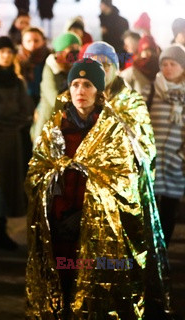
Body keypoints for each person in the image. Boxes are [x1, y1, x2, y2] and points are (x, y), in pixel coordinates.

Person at [24, 58, 169, 318]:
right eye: (75, 84)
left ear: (99, 91)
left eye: (88, 84)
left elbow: (123, 184)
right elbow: (37, 175)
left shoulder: (113, 131)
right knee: (62, 283)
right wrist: (57, 212)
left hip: (98, 229)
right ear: (68, 89)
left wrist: (88, 213)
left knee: (94, 290)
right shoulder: (53, 130)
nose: (81, 90)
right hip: (60, 228)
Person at [0, 36, 34, 249]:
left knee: (13, 183)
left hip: (14, 138)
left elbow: (26, 110)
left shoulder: (17, 80)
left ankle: (7, 230)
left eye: (9, 52)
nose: (6, 55)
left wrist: (7, 111)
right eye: (2, 51)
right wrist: (9, 111)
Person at [149, 45, 185, 247]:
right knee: (150, 209)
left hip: (176, 161)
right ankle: (151, 255)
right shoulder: (152, 89)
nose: (168, 68)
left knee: (169, 210)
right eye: (164, 63)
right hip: (153, 161)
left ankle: (163, 253)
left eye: (173, 64)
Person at [30, 32, 81, 143]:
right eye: (71, 48)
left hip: (68, 124)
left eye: (78, 47)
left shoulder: (75, 68)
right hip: (49, 120)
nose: (75, 51)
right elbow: (54, 99)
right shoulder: (51, 69)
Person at [120, 35, 160, 104]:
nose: (148, 54)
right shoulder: (133, 70)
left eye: (151, 50)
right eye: (145, 50)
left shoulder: (163, 70)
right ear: (140, 52)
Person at [17, 27, 51, 106]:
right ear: (22, 42)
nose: (32, 44)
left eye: (36, 41)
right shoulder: (17, 59)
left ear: (43, 41)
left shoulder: (49, 58)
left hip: (45, 99)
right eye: (28, 41)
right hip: (23, 100)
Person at [99, 0, 129, 67]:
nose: (99, 6)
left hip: (119, 52)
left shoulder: (122, 21)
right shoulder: (103, 19)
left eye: (101, 4)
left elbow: (124, 38)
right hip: (107, 53)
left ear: (106, 4)